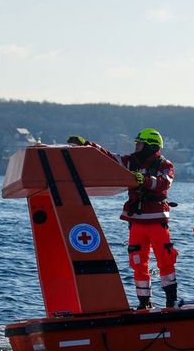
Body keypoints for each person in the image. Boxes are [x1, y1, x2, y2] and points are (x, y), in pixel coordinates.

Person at [67, 130, 178, 309]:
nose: (136, 146)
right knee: (137, 262)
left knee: (165, 260)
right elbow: (109, 157)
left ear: (150, 146)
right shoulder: (130, 161)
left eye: (139, 144)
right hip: (136, 221)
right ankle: (144, 302)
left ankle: (171, 300)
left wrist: (145, 180)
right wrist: (87, 144)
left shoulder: (164, 164)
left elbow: (164, 182)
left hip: (156, 220)